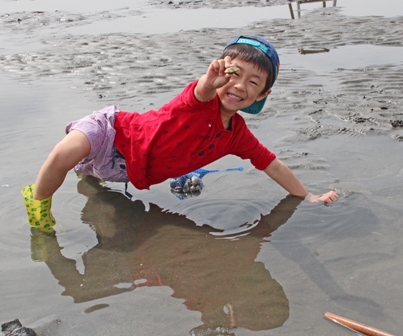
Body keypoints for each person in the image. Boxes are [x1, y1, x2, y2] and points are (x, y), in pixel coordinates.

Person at [22, 35, 338, 232]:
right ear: (219, 74)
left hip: (126, 168)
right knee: (63, 155)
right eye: (233, 74)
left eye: (253, 83)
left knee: (90, 173)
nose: (240, 86)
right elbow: (201, 91)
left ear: (260, 97)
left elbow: (272, 164)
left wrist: (307, 196)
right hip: (113, 129)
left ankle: (86, 176)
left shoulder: (236, 135)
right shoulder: (198, 102)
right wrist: (208, 80)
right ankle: (37, 207)